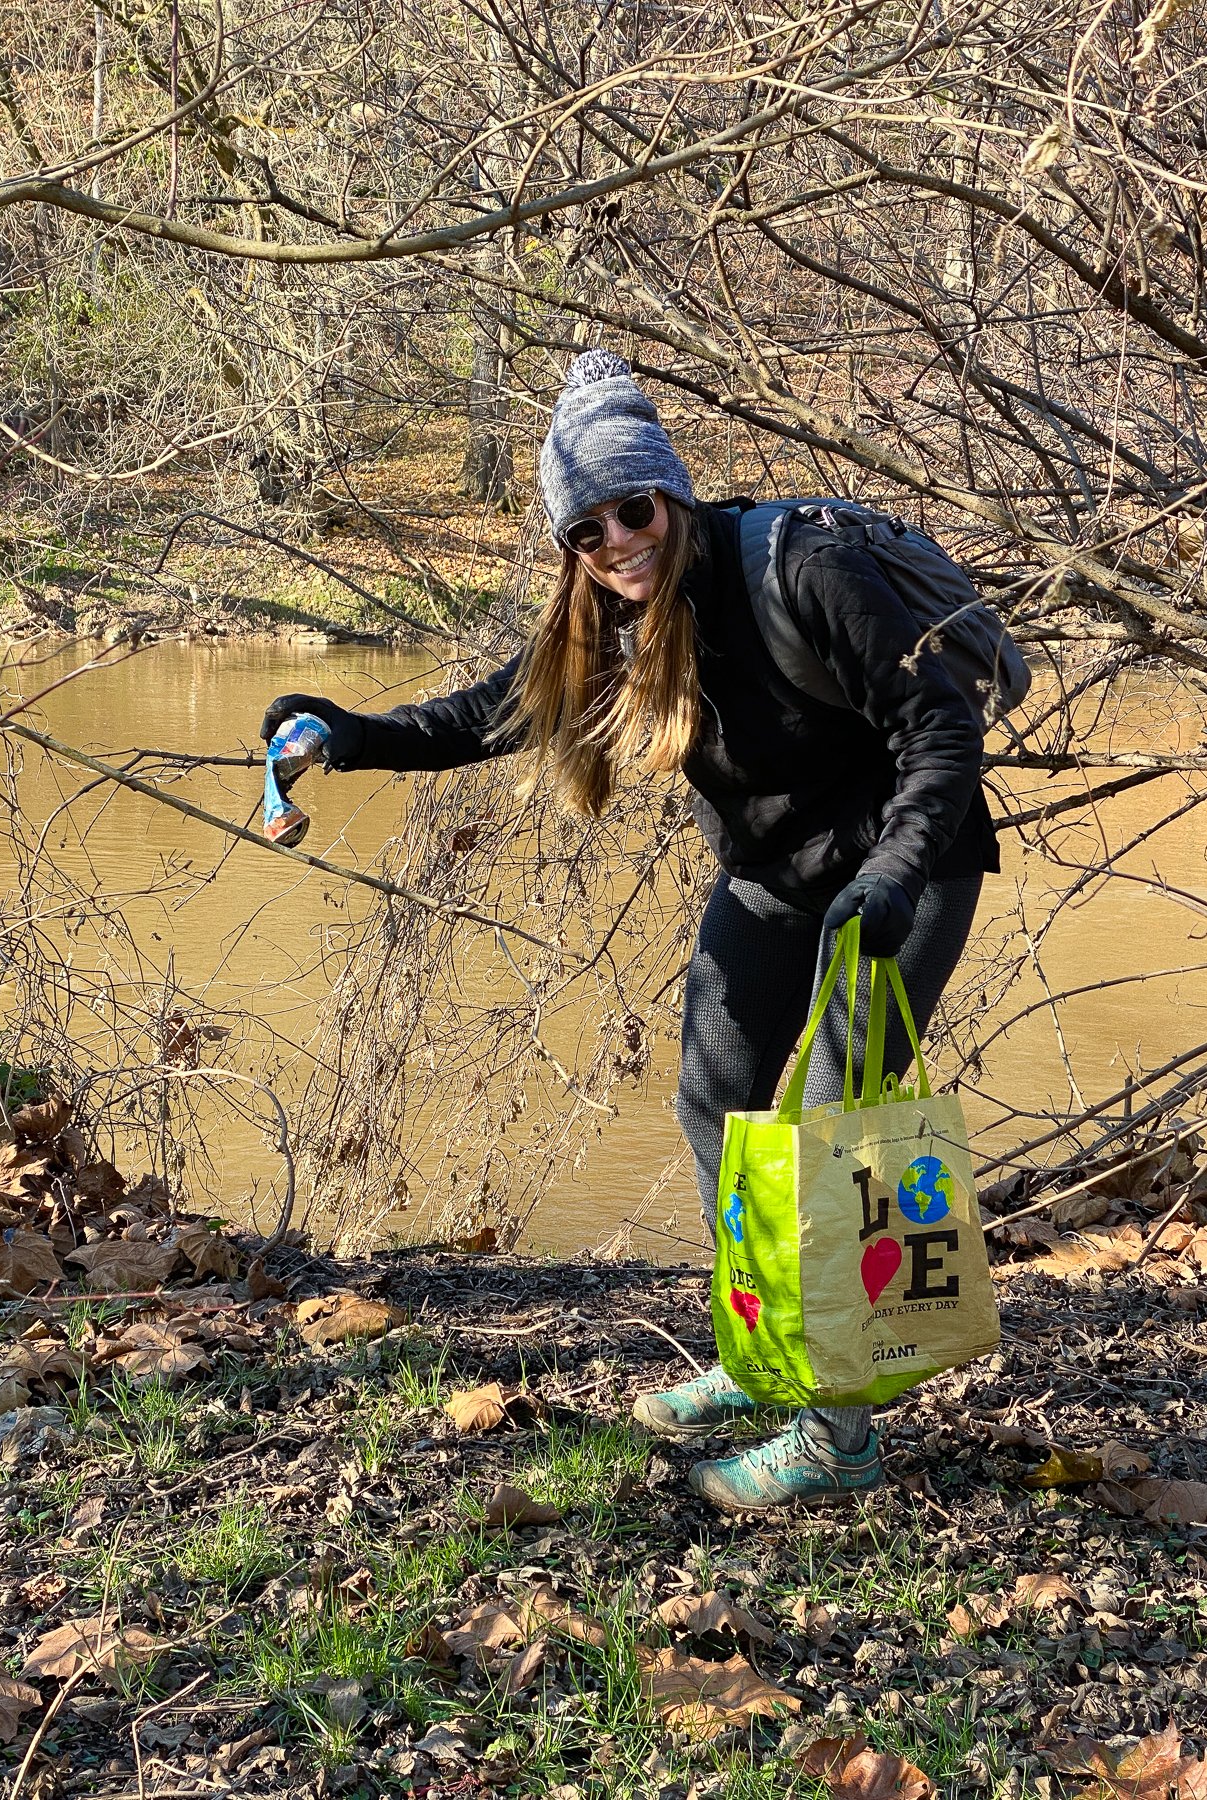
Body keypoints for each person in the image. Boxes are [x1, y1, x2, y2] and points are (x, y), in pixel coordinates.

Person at [261, 349, 996, 1512]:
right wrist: (343, 734)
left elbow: (940, 730)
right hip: (775, 876)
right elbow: (482, 717)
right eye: (586, 531)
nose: (617, 541)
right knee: (717, 1100)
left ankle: (838, 1438)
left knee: (822, 1131)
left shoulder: (804, 570)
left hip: (906, 869)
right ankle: (765, 1355)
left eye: (633, 509)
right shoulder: (610, 620)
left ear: (674, 493)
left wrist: (900, 870)